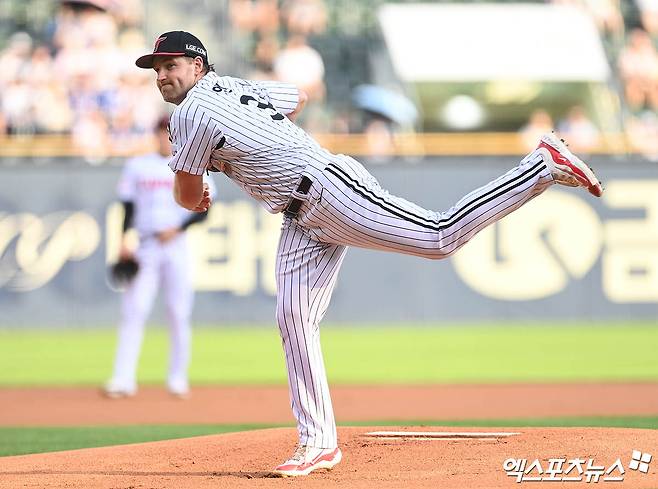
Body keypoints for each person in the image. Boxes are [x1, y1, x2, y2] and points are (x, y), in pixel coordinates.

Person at [134, 31, 603, 476]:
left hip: (328, 189)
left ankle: (540, 166)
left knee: (438, 237)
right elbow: (294, 98)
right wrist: (251, 134)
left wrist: (203, 189)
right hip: (300, 214)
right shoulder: (231, 86)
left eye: (169, 65)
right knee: (293, 318)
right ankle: (318, 442)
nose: (161, 76)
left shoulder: (190, 111)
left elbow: (187, 193)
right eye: (155, 69)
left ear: (196, 66)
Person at [104, 115, 216, 399]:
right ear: (153, 135)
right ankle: (122, 379)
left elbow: (205, 211)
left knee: (179, 312)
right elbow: (127, 208)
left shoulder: (193, 166)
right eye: (160, 133)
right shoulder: (137, 166)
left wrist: (177, 228)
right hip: (145, 245)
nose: (164, 139)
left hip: (176, 246)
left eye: (169, 134)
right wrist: (123, 241)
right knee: (134, 310)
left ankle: (178, 378)